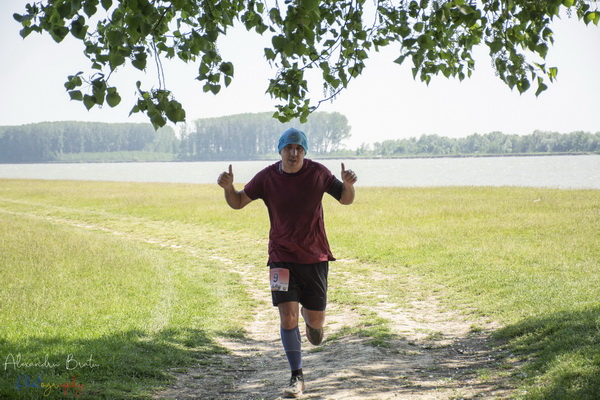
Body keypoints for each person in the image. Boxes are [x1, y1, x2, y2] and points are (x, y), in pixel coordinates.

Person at [217, 127, 357, 398]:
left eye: (299, 148)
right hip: (280, 257)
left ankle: (311, 321)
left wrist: (348, 185)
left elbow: (345, 199)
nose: (294, 153)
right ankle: (296, 376)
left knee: (315, 320)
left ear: (305, 151)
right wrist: (228, 188)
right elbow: (238, 202)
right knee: (287, 316)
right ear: (280, 150)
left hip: (315, 257)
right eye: (288, 148)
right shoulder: (267, 177)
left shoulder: (318, 173)